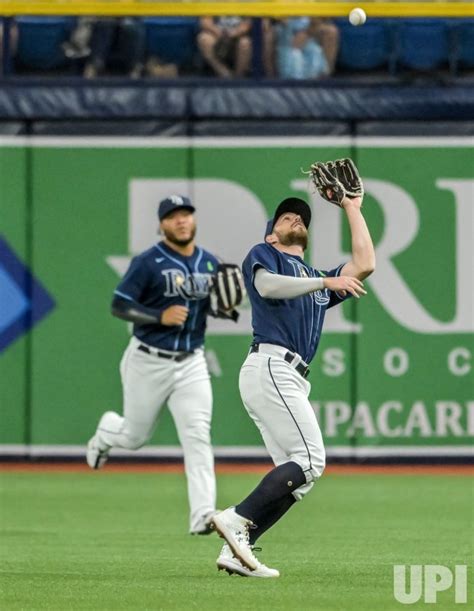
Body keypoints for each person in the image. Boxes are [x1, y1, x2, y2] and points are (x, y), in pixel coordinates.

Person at [211, 163, 375, 577]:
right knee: (311, 459)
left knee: (299, 476)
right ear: (272, 233)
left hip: (287, 376)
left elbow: (365, 264)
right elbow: (266, 287)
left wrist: (352, 207)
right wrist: (325, 285)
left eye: (300, 216)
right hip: (270, 365)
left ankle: (237, 548)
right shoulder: (265, 255)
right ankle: (236, 518)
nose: (295, 218)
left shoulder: (315, 277)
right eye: (286, 216)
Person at [86, 195, 243, 535]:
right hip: (148, 359)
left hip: (192, 362)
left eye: (186, 214)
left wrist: (224, 308)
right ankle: (105, 433)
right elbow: (119, 305)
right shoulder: (148, 262)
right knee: (134, 436)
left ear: (194, 220)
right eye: (173, 217)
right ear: (162, 225)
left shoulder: (209, 262)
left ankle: (202, 515)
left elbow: (214, 305)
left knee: (198, 435)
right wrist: (159, 315)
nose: (181, 221)